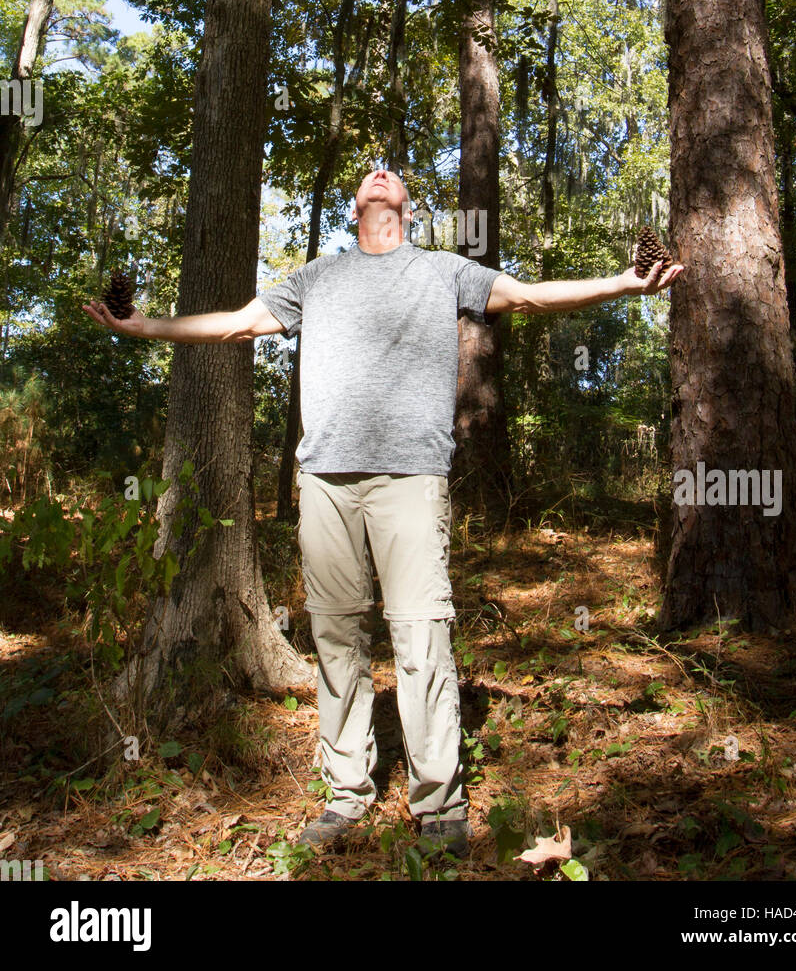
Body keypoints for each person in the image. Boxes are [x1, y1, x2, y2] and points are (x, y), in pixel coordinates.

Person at [83, 167, 683, 858]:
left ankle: (440, 804)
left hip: (411, 479)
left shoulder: (443, 270)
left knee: (421, 638)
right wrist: (143, 327)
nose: (379, 173)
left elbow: (531, 297)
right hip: (326, 484)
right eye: (369, 176)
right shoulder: (316, 278)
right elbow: (238, 325)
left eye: (392, 175)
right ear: (353, 206)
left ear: (405, 205)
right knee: (336, 640)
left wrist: (627, 282)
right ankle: (346, 794)